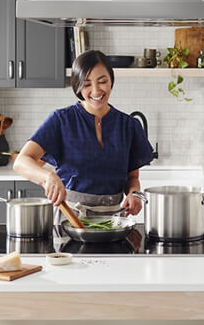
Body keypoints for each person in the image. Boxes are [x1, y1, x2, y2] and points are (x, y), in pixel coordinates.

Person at [14, 50, 154, 216]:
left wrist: (134, 194)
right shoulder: (61, 120)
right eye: (87, 84)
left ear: (111, 81)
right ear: (77, 86)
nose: (96, 91)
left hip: (114, 221)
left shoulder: (129, 125)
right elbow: (21, 162)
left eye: (102, 81)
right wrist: (48, 177)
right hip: (71, 219)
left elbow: (132, 178)